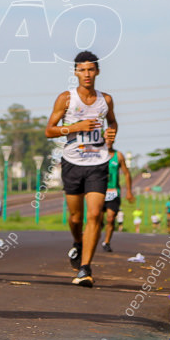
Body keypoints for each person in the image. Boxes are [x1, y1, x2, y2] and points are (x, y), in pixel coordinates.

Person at [45, 50, 118, 288]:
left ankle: (85, 268)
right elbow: (50, 130)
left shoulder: (105, 100)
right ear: (76, 72)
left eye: (91, 69)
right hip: (72, 162)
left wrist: (111, 135)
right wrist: (76, 126)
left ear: (97, 71)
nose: (86, 74)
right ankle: (78, 242)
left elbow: (113, 122)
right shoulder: (66, 99)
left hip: (98, 163)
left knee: (95, 214)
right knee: (76, 217)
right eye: (82, 70)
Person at [100, 144, 134, 253]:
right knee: (97, 220)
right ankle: (92, 239)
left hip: (113, 192)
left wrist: (129, 191)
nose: (109, 141)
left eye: (112, 138)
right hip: (99, 191)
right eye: (107, 138)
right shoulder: (97, 153)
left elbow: (127, 174)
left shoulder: (118, 155)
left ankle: (106, 242)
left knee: (110, 218)